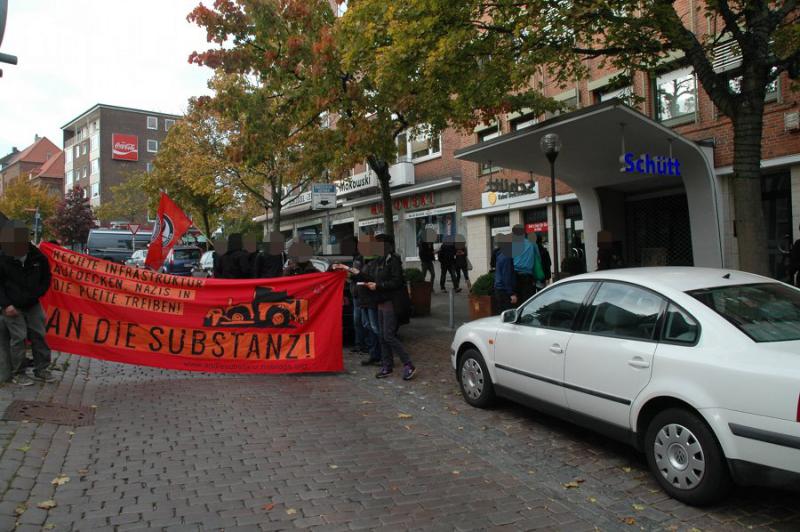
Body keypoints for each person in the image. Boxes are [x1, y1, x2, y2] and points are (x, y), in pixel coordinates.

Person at [336, 234, 416, 380]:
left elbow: (397, 282)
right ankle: (387, 366)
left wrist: (378, 285)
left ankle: (408, 364)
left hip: (391, 302)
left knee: (388, 335)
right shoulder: (378, 261)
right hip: (379, 302)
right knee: (382, 336)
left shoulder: (393, 261)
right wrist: (347, 269)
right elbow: (366, 276)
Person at [0, 220, 56, 385]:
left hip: (32, 304)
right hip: (11, 306)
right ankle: (19, 372)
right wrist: (6, 305)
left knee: (39, 335)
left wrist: (36, 294)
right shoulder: (3, 259)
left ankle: (42, 369)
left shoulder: (38, 257)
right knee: (19, 338)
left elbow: (46, 279)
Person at [511, 225, 543, 302]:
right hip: (528, 275)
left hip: (515, 274)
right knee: (528, 300)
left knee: (516, 300)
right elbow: (539, 258)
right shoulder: (532, 243)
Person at [493, 234, 517, 315]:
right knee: (507, 315)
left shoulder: (500, 255)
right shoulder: (507, 257)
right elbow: (506, 277)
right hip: (504, 291)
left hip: (499, 289)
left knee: (501, 314)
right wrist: (511, 293)